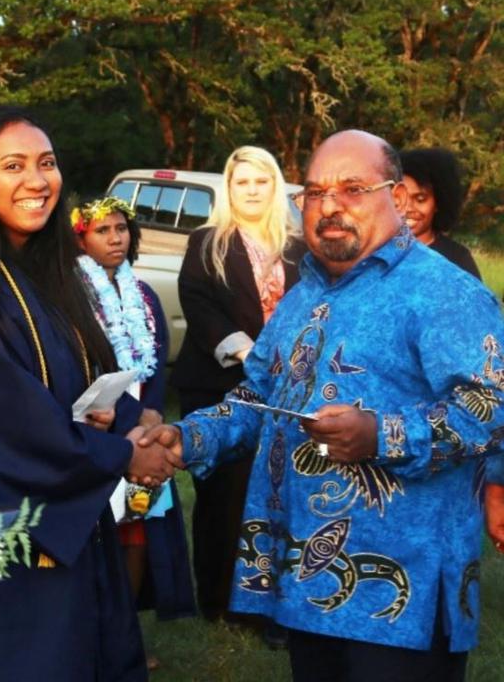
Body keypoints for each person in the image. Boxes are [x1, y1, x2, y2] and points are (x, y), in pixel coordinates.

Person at [141, 130, 504, 682]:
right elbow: (261, 395)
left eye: (352, 188)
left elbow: (490, 407)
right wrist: (189, 437)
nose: (330, 206)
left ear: (395, 196)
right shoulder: (306, 292)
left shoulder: (444, 293)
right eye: (314, 192)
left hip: (400, 601)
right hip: (308, 585)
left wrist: (382, 435)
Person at [0, 105, 183, 682]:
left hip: (57, 532)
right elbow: (12, 429)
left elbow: (88, 374)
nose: (36, 181)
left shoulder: (43, 277)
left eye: (47, 163)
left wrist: (137, 421)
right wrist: (126, 454)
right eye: (13, 165)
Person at [169, 145, 306, 623]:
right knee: (224, 497)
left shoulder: (299, 247)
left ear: (276, 187)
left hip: (285, 394)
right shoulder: (207, 241)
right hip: (219, 386)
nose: (251, 190)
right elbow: (199, 305)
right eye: (241, 182)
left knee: (279, 494)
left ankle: (271, 598)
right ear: (228, 189)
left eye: (260, 181)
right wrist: (254, 355)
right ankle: (220, 601)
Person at [72, 197, 194, 631]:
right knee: (101, 532)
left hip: (143, 427)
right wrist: (131, 414)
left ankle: (128, 633)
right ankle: (95, 631)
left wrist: (154, 410)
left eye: (121, 228)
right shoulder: (72, 293)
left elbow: (156, 360)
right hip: (103, 428)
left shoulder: (142, 293)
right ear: (81, 237)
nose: (115, 238)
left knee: (138, 530)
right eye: (102, 230)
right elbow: (86, 366)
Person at [401, 147, 481, 278]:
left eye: (420, 199)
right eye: (400, 198)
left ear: (438, 202)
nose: (408, 208)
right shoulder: (374, 252)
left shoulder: (457, 259)